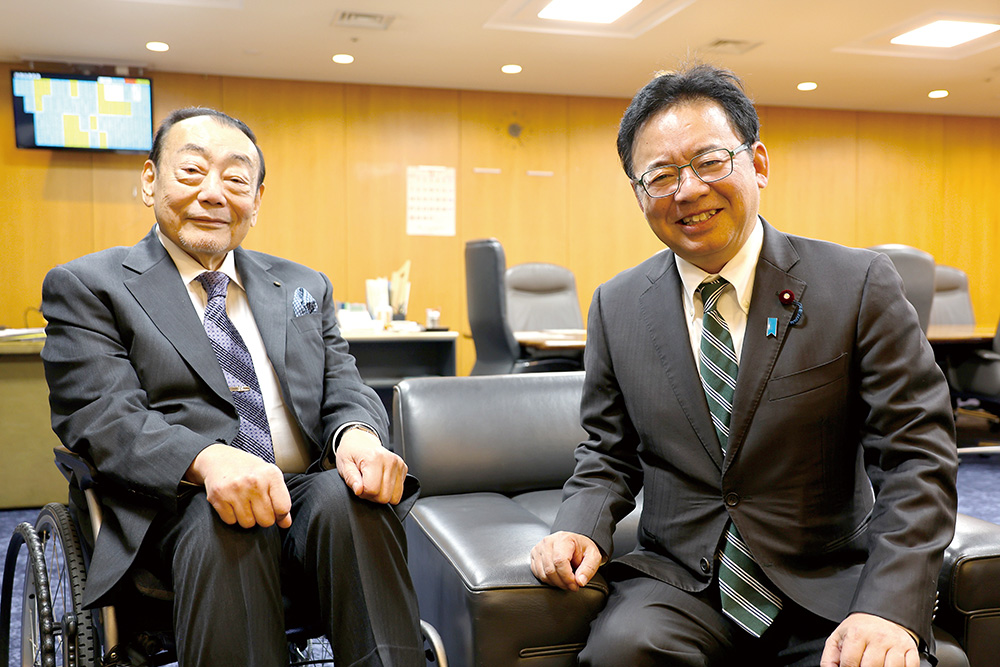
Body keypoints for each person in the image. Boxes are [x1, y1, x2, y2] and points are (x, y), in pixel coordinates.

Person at [530, 64, 958, 667]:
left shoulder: (857, 285)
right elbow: (608, 451)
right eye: (661, 176)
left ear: (757, 163)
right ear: (639, 195)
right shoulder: (616, 305)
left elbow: (916, 457)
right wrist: (579, 527)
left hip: (830, 583)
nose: (687, 191)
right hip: (681, 582)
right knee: (622, 652)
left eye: (709, 162)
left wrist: (888, 607)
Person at [41, 107, 425, 666]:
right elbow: (102, 416)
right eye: (192, 172)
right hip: (178, 509)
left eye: (236, 179)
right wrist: (211, 461)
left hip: (303, 497)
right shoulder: (90, 287)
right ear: (149, 181)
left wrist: (358, 435)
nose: (214, 194)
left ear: (257, 199)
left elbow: (343, 383)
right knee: (228, 517)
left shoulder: (303, 284)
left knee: (354, 503)